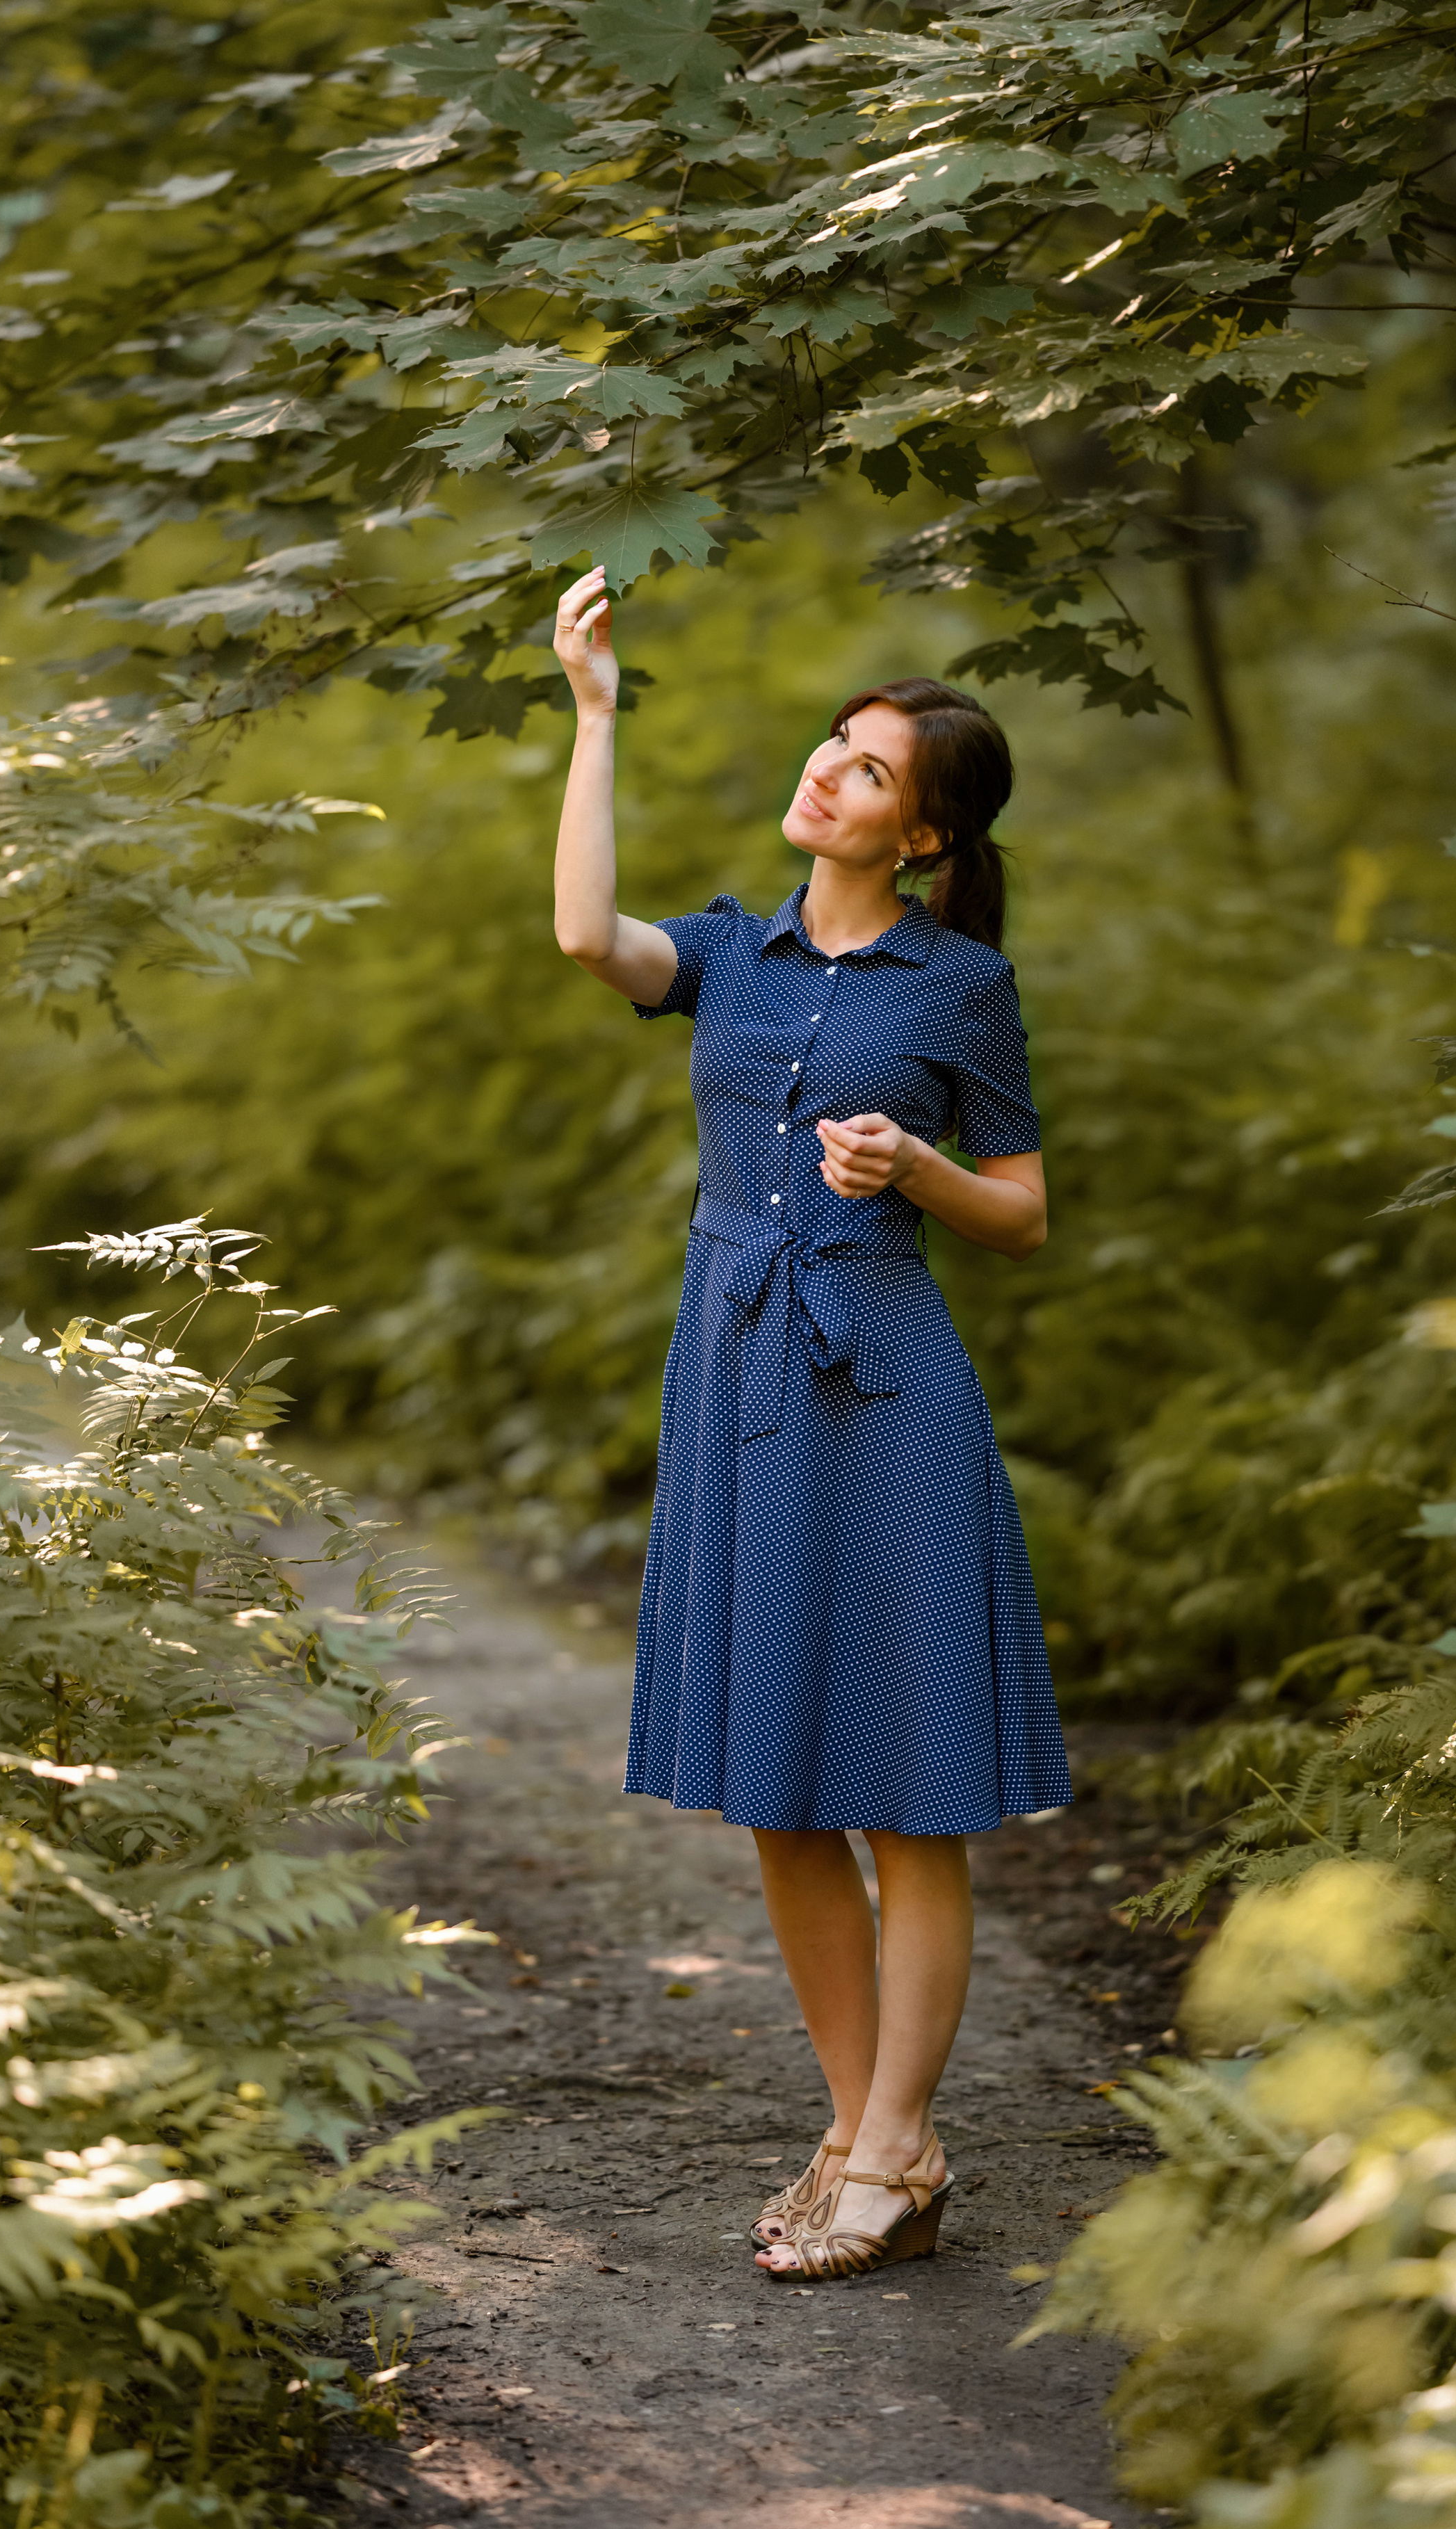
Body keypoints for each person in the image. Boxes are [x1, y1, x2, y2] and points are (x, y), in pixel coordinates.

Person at [550, 563, 1071, 2283]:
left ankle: (902, 2136)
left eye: (863, 770)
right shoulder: (728, 951)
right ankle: (859, 2130)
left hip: (890, 1379)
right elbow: (581, 938)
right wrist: (594, 721)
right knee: (780, 1787)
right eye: (828, 749)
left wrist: (915, 1164)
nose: (824, 776)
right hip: (739, 1367)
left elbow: (1021, 1212)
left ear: (917, 837)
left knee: (907, 1794)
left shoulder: (957, 989)